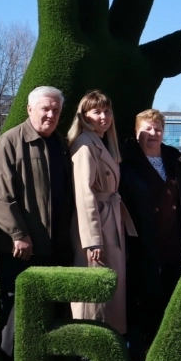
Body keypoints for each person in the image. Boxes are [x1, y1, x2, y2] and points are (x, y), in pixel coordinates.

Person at [0, 85, 73, 354]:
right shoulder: (11, 141)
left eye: (56, 110)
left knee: (48, 313)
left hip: (54, 248)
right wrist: (18, 234)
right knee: (15, 311)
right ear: (29, 109)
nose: (50, 114)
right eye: (45, 108)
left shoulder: (60, 144)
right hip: (20, 249)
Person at [119, 109, 181, 361]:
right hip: (142, 248)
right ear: (137, 133)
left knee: (169, 307)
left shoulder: (173, 160)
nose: (153, 134)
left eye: (158, 129)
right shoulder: (127, 165)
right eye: (147, 129)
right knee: (142, 309)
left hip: (173, 246)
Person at [69, 90, 136, 338]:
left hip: (109, 219)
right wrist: (92, 239)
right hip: (98, 223)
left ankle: (107, 344)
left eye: (107, 111)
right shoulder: (85, 144)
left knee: (109, 288)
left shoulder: (100, 142)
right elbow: (84, 194)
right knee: (94, 288)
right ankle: (90, 351)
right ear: (84, 115)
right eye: (96, 111)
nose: (104, 116)